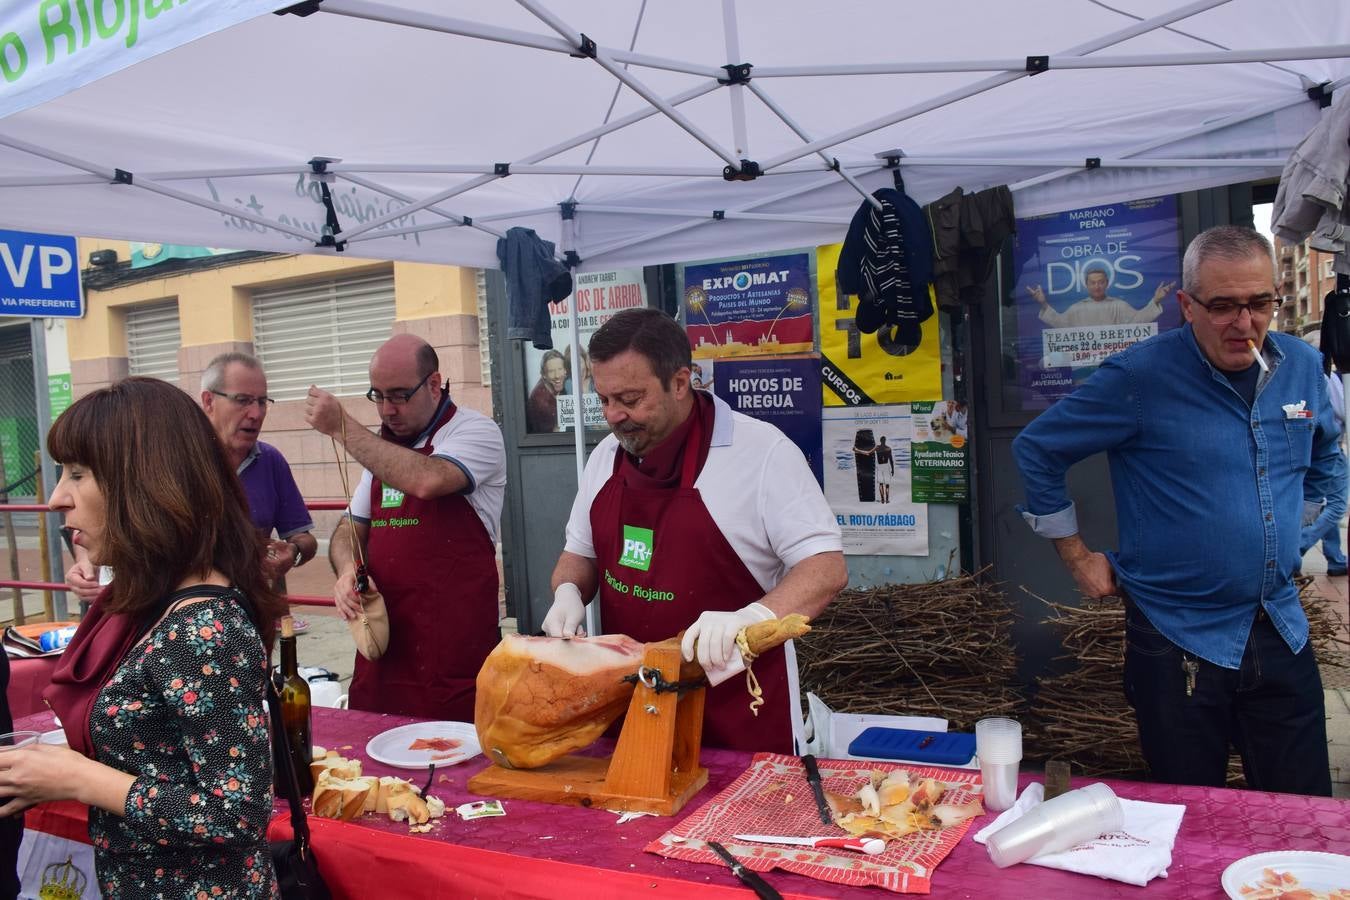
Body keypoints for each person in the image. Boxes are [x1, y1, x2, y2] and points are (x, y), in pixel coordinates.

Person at [1013, 226, 1343, 796]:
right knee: (1187, 820)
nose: (1246, 324)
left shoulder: (1302, 365)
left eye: (1261, 302)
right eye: (1223, 307)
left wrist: (1298, 534)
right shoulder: (1139, 377)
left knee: (1304, 815)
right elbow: (1037, 449)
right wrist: (1076, 557)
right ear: (1187, 305)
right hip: (1177, 639)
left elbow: (1325, 458)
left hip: (1280, 628)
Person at [4, 377, 284, 896]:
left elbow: (237, 813)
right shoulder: (147, 602)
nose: (56, 499)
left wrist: (77, 779)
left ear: (143, 483)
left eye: (78, 474)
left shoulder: (204, 626)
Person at [541, 308, 847, 754]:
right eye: (604, 399)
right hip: (633, 711)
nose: (614, 416)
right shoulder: (605, 457)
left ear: (681, 382)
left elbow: (825, 568)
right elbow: (579, 554)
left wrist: (752, 619)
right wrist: (567, 591)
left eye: (630, 398)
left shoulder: (761, 452)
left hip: (737, 720)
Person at [304, 334, 506, 721]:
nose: (386, 410)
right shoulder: (382, 451)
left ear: (433, 384)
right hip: (385, 653)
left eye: (398, 395)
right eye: (377, 396)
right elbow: (350, 527)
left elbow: (427, 479)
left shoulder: (476, 432)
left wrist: (343, 427)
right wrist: (348, 570)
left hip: (454, 656)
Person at [1300, 362, 1348, 575]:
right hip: (1329, 447)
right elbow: (1341, 412)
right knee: (1337, 505)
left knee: (1326, 503)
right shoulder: (1323, 376)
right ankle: (1297, 545)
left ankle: (1335, 558)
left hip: (1320, 446)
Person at [1030, 267, 1175, 327]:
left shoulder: (1119, 305)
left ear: (1107, 283)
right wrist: (1043, 304)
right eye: (1092, 283)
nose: (1097, 286)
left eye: (1100, 282)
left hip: (1114, 363)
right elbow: (1060, 324)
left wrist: (1156, 300)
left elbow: (1138, 321)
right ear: (1086, 285)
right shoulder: (1077, 308)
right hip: (1084, 365)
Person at [527, 349, 567, 433]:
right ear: (544, 375)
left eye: (560, 369)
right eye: (551, 371)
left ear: (565, 371)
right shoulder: (539, 399)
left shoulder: (565, 386)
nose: (557, 375)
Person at [873, 436, 895, 504]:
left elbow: (870, 453)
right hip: (886, 466)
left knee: (881, 484)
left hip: (880, 466)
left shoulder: (877, 447)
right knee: (887, 484)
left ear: (880, 440)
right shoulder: (888, 449)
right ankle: (887, 499)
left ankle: (882, 499)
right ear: (885, 440)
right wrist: (892, 469)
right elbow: (891, 460)